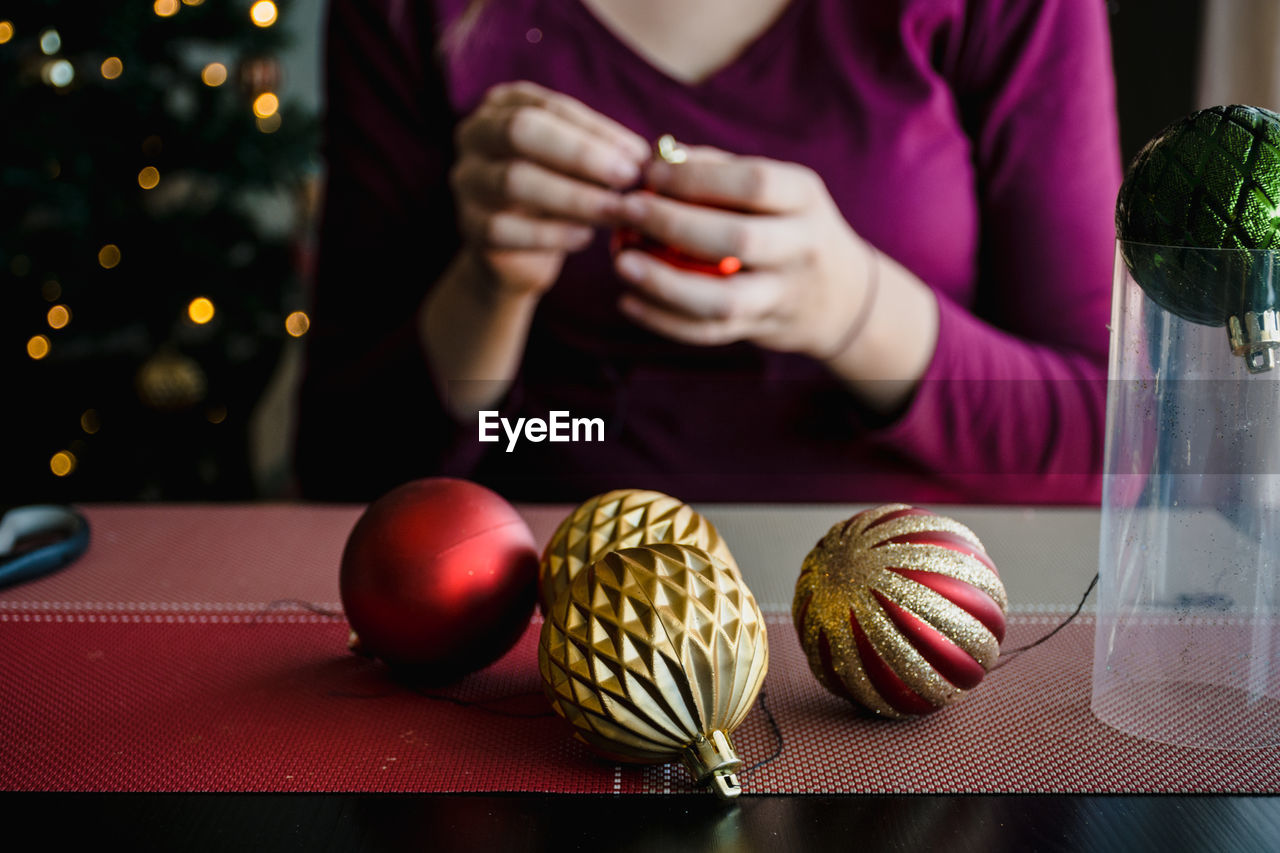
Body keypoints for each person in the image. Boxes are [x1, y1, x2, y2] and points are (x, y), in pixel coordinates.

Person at [296, 0, 1122, 504]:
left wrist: (853, 308)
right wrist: (487, 284)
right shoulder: (412, 11)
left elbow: (1108, 439)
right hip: (534, 603)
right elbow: (344, 460)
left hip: (901, 609)